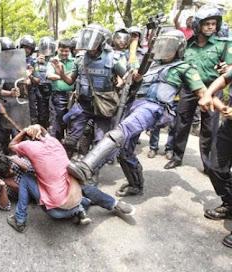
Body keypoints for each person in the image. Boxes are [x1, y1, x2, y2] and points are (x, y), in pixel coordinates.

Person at [66, 30, 208, 197]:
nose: (165, 50)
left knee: (120, 131)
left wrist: (206, 99)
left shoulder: (184, 67)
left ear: (180, 49)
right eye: (162, 45)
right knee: (124, 149)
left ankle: (87, 166)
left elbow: (202, 90)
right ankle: (136, 185)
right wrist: (133, 77)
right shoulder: (150, 65)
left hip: (153, 107)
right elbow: (131, 80)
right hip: (135, 105)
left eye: (170, 47)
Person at [6, 124, 135, 233]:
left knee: (27, 177)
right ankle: (110, 204)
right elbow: (45, 134)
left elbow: (12, 144)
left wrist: (24, 130)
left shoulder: (29, 147)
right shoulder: (54, 142)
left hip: (56, 212)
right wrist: (38, 127)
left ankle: (20, 220)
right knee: (74, 179)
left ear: (28, 140)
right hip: (75, 199)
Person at [164, 5, 232, 172]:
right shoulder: (187, 45)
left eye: (213, 23)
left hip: (211, 90)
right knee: (181, 123)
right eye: (206, 23)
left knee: (209, 128)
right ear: (197, 25)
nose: (210, 26)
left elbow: (230, 68)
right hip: (188, 89)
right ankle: (177, 156)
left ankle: (207, 163)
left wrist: (226, 69)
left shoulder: (223, 45)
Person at [52, 23, 127, 158]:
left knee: (101, 142)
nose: (90, 48)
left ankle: (94, 173)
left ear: (102, 42)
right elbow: (70, 80)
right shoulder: (80, 58)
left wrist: (119, 83)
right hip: (83, 104)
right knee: (71, 139)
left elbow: (126, 77)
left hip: (104, 106)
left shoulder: (113, 58)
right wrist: (62, 74)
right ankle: (64, 168)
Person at [198, 67, 232, 248]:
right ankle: (229, 204)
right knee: (216, 168)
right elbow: (225, 79)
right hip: (229, 126)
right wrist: (208, 94)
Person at [47, 38, 75, 141]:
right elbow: (50, 75)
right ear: (57, 50)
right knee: (57, 122)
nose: (64, 53)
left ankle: (69, 145)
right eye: (61, 50)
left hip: (73, 96)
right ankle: (56, 144)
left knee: (72, 122)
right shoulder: (53, 61)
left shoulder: (74, 61)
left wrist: (61, 74)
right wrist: (63, 76)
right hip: (59, 96)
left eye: (66, 51)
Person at [19, 34, 41, 124]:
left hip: (30, 92)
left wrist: (30, 75)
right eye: (25, 47)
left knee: (32, 116)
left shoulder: (33, 62)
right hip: (17, 91)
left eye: (29, 48)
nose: (26, 50)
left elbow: (37, 80)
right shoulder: (15, 59)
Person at [36, 36, 56, 129]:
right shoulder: (36, 60)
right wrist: (36, 62)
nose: (47, 50)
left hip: (53, 89)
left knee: (54, 113)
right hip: (40, 89)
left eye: (49, 47)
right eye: (44, 47)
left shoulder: (56, 59)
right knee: (42, 114)